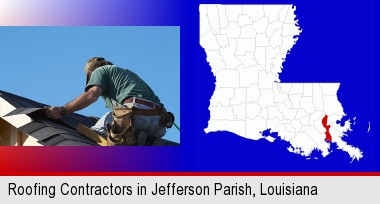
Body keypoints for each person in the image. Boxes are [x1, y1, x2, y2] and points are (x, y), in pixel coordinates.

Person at [45, 57, 166, 145]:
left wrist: (62, 110)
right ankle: (148, 141)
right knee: (134, 137)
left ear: (91, 73)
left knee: (99, 131)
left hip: (135, 113)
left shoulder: (99, 71)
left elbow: (92, 95)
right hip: (159, 123)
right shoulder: (128, 75)